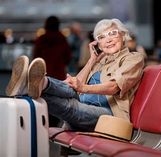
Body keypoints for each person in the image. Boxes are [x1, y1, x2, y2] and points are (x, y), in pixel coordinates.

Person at [6, 18, 145, 132]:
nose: (108, 40)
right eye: (102, 37)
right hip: (83, 104)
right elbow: (76, 84)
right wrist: (92, 61)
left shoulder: (133, 58)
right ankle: (37, 84)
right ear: (98, 44)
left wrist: (83, 88)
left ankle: (28, 86)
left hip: (109, 115)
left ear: (123, 35)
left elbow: (114, 86)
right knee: (67, 89)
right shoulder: (99, 61)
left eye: (113, 33)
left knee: (70, 104)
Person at [32, 15, 72, 127]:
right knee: (58, 103)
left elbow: (35, 58)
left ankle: (43, 126)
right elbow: (68, 58)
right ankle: (55, 128)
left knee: (43, 101)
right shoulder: (62, 39)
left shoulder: (41, 39)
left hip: (43, 76)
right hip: (59, 76)